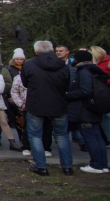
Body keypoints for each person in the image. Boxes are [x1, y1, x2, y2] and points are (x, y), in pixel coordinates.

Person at [21, 40, 72, 176]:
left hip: (36, 103)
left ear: (36, 51)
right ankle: (67, 166)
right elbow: (66, 84)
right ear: (52, 50)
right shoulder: (62, 65)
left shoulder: (29, 65)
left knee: (35, 135)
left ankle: (41, 166)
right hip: (58, 103)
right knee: (62, 135)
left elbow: (25, 83)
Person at [66, 50, 109, 173]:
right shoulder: (94, 70)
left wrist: (68, 95)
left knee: (90, 137)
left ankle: (96, 165)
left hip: (84, 110)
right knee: (97, 136)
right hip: (93, 108)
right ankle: (103, 164)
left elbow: (85, 91)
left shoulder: (84, 72)